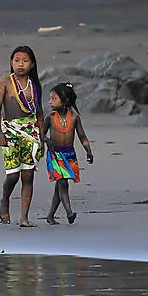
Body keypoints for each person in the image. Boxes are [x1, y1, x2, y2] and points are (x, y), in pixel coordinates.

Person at [0, 44, 44, 226]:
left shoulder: (35, 85)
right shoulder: (5, 83)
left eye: (25, 61)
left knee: (28, 176)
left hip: (31, 132)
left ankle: (24, 218)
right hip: (9, 132)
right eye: (17, 60)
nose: (21, 64)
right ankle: (5, 200)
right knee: (13, 175)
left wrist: (42, 138)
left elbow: (39, 113)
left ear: (32, 64)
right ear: (11, 63)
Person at [41, 82, 93, 224]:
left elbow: (82, 136)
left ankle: (50, 216)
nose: (50, 101)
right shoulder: (50, 118)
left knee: (60, 185)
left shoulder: (75, 118)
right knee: (62, 183)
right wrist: (47, 140)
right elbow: (40, 134)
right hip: (55, 155)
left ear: (65, 101)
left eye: (54, 98)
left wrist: (88, 150)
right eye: (50, 98)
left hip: (69, 155)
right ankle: (69, 212)